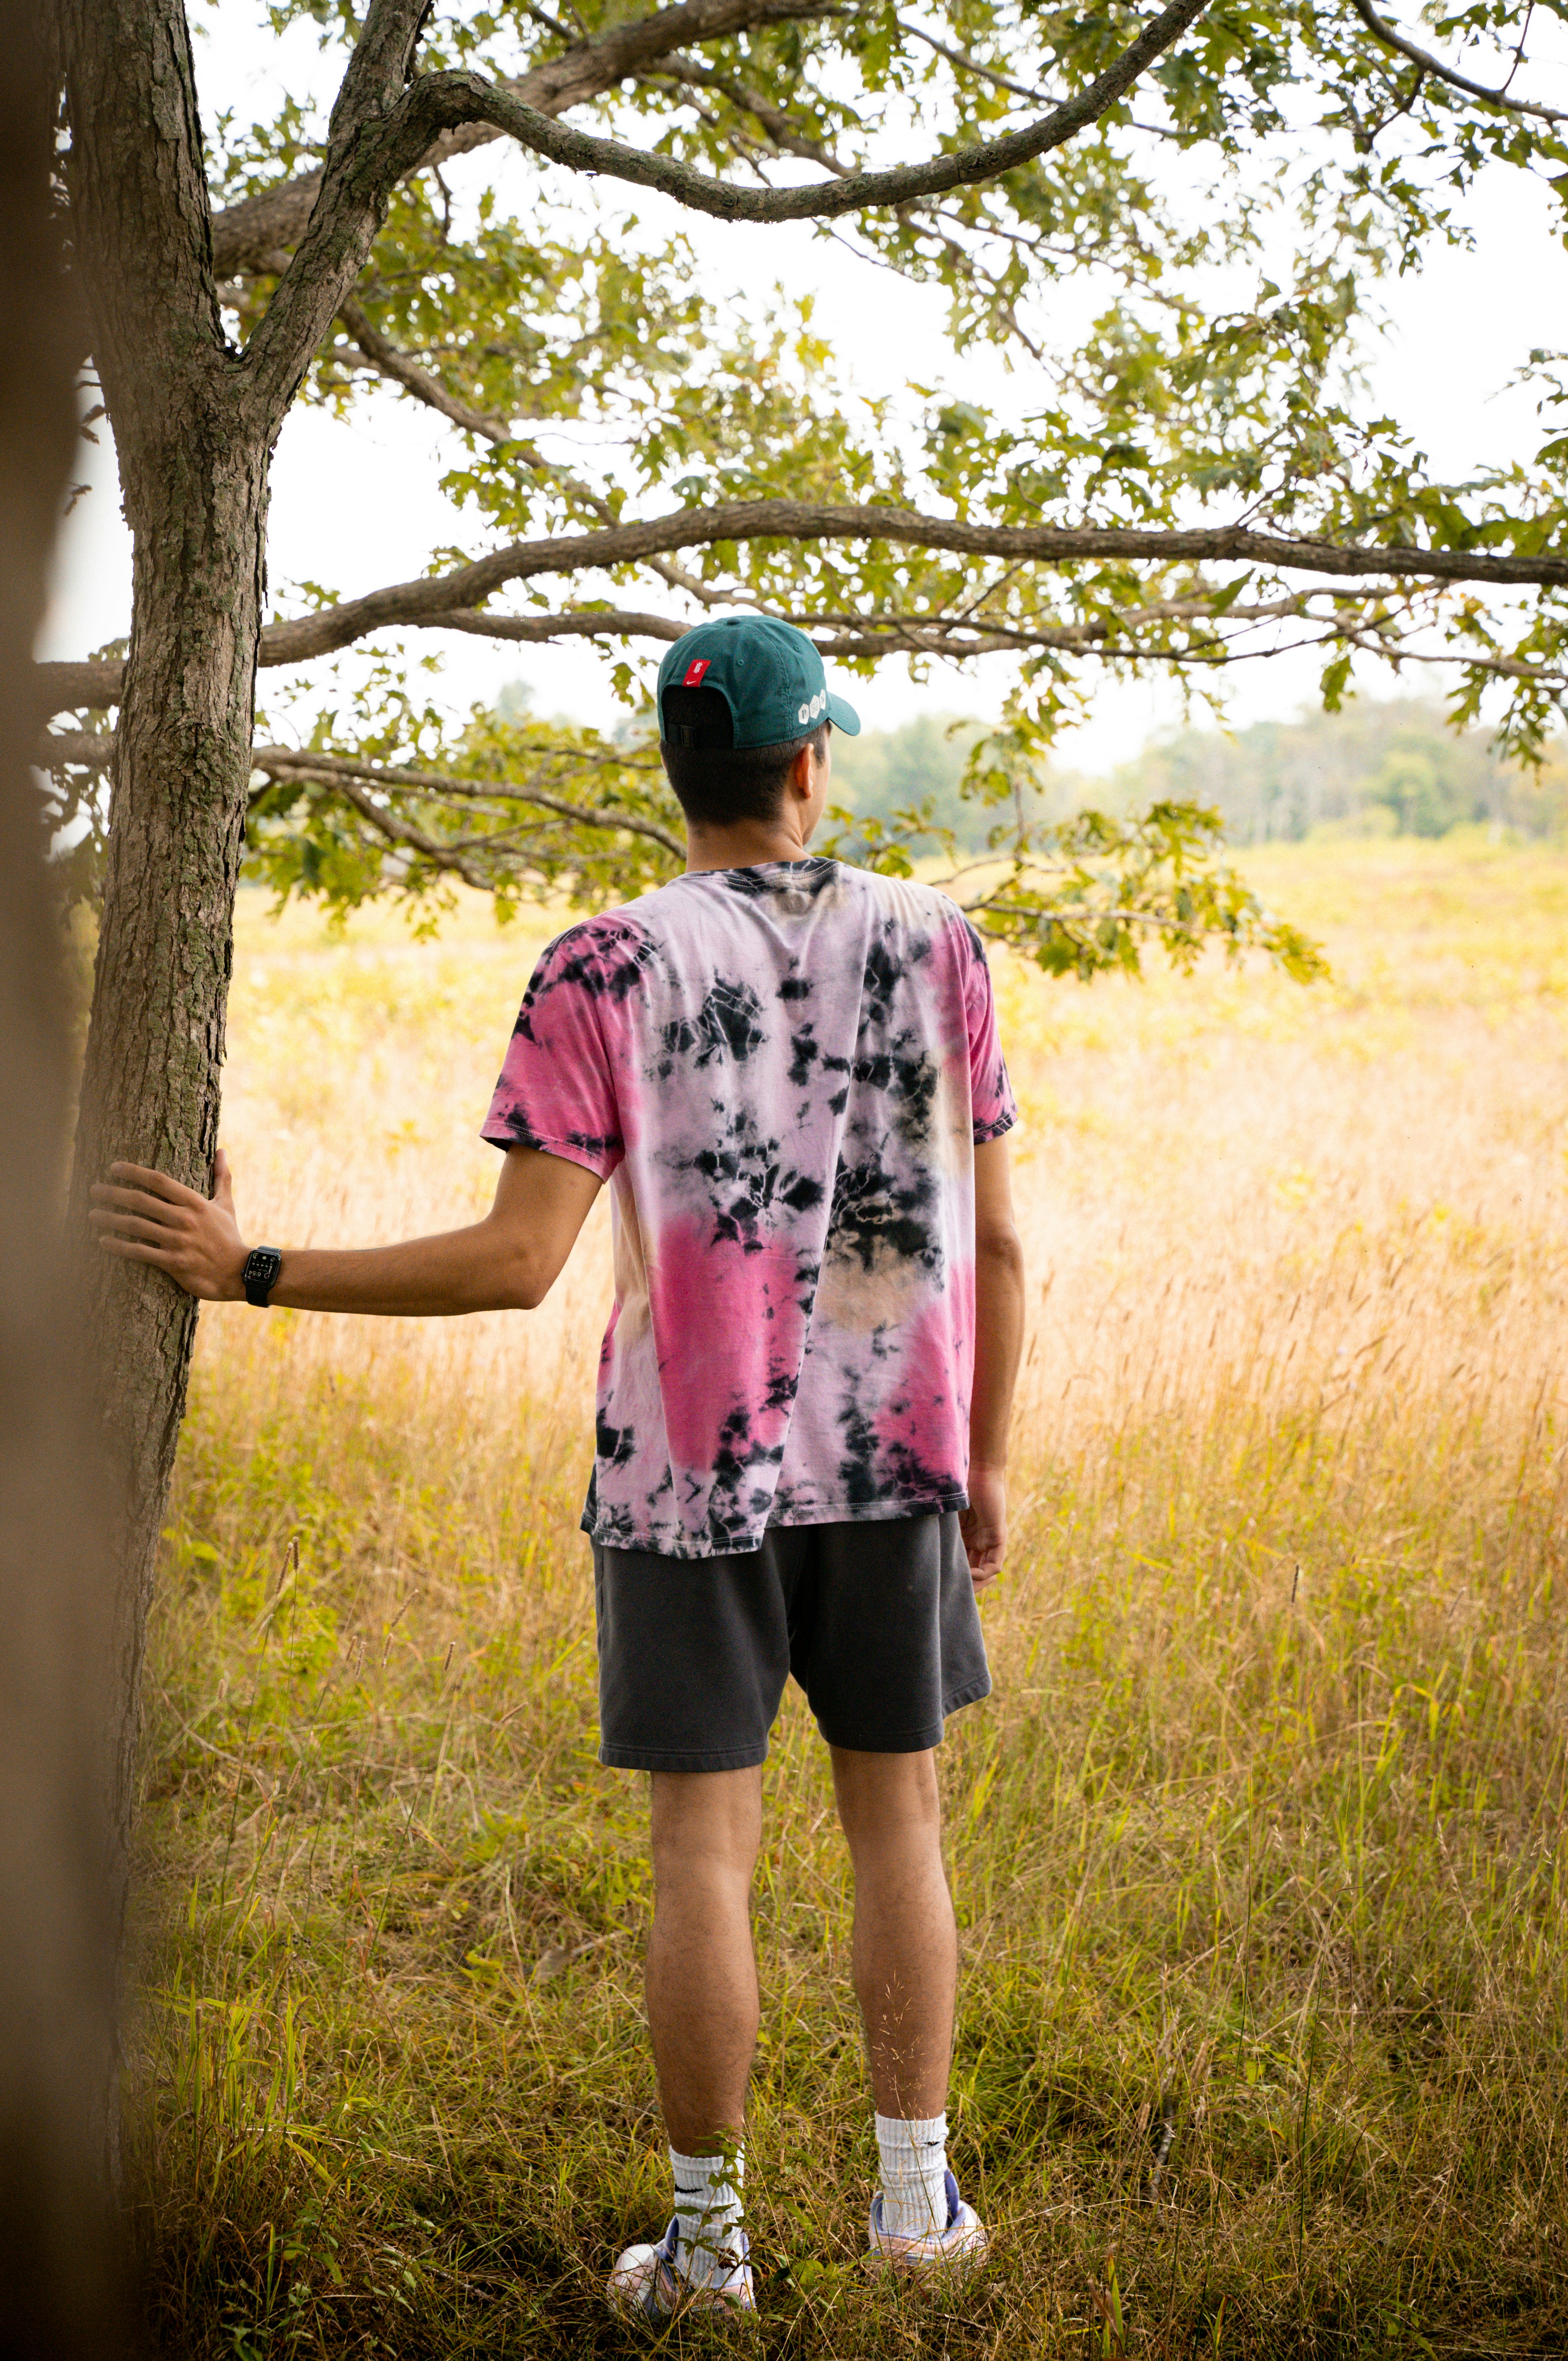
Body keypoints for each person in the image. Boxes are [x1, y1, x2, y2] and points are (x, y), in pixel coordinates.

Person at [91, 615, 1026, 2322]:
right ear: (811, 762)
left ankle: (707, 2248)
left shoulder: (605, 964)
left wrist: (256, 1270)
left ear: (677, 776)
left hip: (687, 1466)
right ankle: (913, 2211)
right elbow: (1002, 1247)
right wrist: (981, 1459)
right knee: (898, 1822)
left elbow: (518, 1263)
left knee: (704, 1851)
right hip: (898, 1456)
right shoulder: (937, 945)